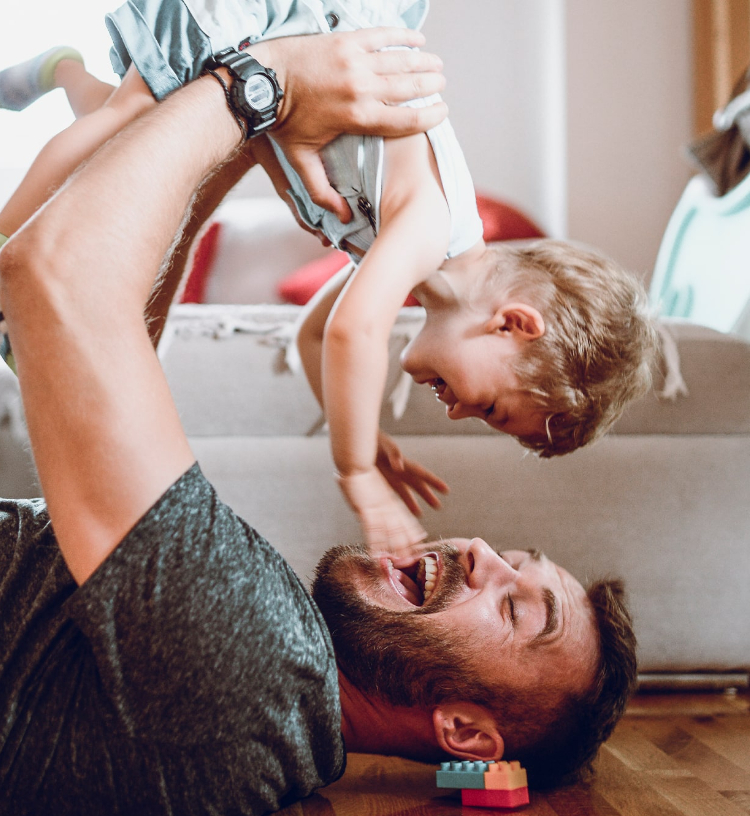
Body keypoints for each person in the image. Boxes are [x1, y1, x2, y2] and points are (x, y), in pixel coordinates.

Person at [0, 35, 639, 816]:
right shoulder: (276, 699)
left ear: (467, 735)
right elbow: (86, 331)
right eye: (516, 558)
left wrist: (261, 87)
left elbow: (53, 274)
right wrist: (241, 138)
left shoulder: (254, 665)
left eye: (514, 609)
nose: (482, 551)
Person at [0, 2, 660, 557]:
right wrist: (357, 472)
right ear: (513, 323)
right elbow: (352, 333)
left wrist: (359, 425)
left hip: (266, 60)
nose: (457, 410)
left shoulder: (418, 270)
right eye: (489, 407)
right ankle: (11, 244)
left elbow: (314, 337)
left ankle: (60, 69)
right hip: (268, 21)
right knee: (123, 129)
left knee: (134, 121)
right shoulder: (433, 227)